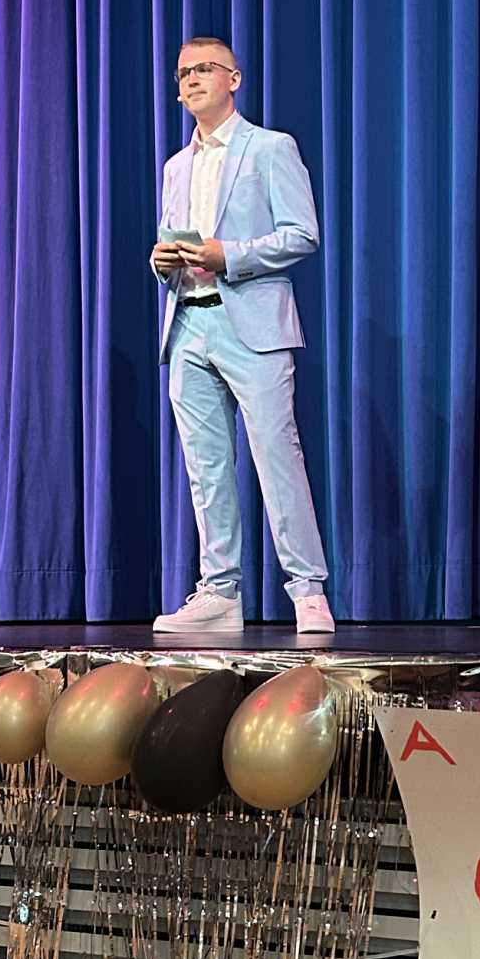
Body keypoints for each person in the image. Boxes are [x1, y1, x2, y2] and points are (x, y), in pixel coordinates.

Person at [150, 36, 333, 634]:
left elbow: (302, 234)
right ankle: (220, 590)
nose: (192, 79)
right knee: (206, 467)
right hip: (188, 323)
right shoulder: (177, 166)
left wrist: (228, 255)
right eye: (184, 72)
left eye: (205, 68)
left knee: (277, 457)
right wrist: (162, 261)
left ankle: (307, 589)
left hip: (251, 323)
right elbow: (175, 239)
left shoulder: (271, 147)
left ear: (233, 79)